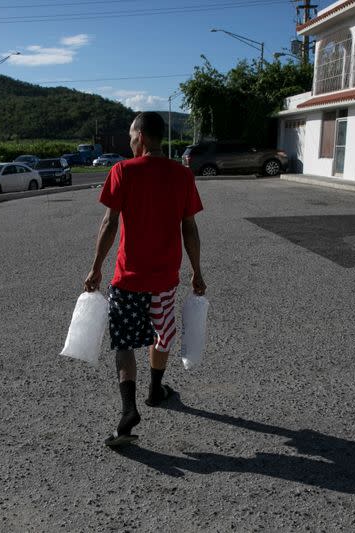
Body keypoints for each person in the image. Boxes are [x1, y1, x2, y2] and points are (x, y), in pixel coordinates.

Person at [84, 111, 206, 447]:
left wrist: (96, 266)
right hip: (164, 279)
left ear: (142, 136)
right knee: (161, 332)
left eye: (130, 136)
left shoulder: (122, 171)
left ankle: (128, 411)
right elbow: (190, 228)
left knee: (124, 342)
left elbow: (109, 224)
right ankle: (156, 389)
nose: (129, 142)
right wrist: (196, 270)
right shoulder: (182, 175)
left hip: (127, 279)